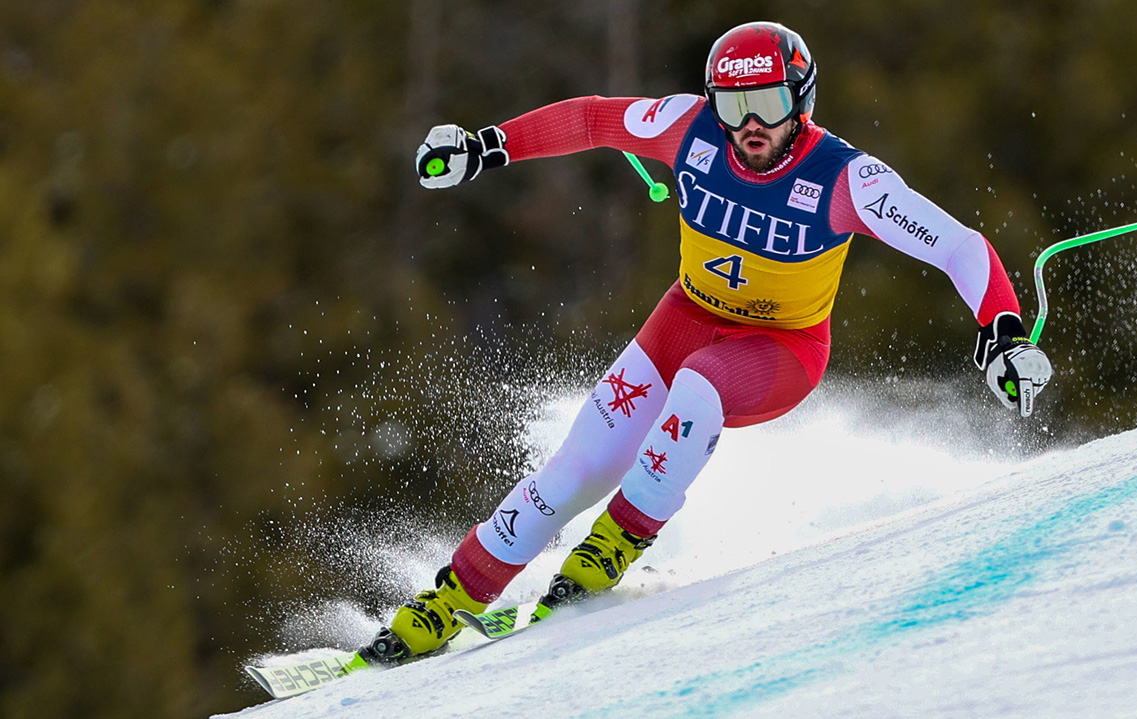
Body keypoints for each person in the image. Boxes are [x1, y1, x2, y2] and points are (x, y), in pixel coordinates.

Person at [359, 21, 1054, 663]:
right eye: (733, 105)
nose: (750, 125)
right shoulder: (688, 128)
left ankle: (610, 548)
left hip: (778, 351)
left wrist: (1002, 332)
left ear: (802, 102)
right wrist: (487, 146)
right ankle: (450, 598)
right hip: (685, 316)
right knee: (573, 469)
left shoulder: (847, 179)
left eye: (771, 102)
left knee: (700, 383)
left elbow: (961, 247)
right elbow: (595, 118)